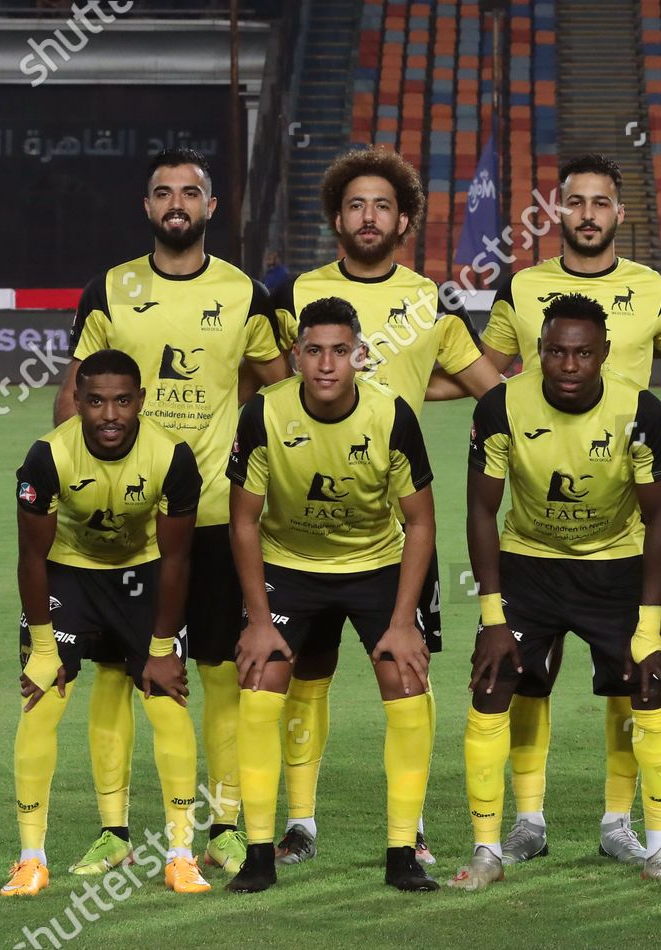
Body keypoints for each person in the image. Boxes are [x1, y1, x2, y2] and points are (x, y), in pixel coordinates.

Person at [474, 154, 661, 867]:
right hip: (535, 531)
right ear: (557, 211)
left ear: (619, 214)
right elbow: (489, 368)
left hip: (625, 524)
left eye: (600, 203)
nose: (587, 214)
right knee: (524, 681)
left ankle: (619, 824)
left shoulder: (652, 288)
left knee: (631, 681)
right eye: (574, 202)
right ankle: (526, 822)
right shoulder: (522, 287)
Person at [56, 148, 289, 877]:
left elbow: (276, 391)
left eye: (191, 192)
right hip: (126, 520)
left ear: (212, 208)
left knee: (218, 670)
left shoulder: (246, 294)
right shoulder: (111, 289)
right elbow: (73, 397)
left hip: (215, 516)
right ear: (148, 206)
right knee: (117, 673)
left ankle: (223, 824)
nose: (177, 203)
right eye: (163, 193)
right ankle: (115, 831)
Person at [267, 146, 499, 868]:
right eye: (356, 205)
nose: (369, 217)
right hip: (297, 526)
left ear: (403, 221)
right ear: (338, 217)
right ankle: (299, 823)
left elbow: (491, 388)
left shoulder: (430, 301)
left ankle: (413, 826)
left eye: (383, 207)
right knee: (305, 676)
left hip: (395, 532)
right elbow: (275, 387)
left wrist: (421, 382)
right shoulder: (294, 293)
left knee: (405, 671)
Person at [448, 293, 661, 892]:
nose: (567, 364)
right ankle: (497, 844)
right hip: (528, 566)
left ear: (605, 354)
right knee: (494, 685)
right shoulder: (502, 404)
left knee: (646, 684)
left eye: (583, 353)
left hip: (615, 568)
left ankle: (649, 844)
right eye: (555, 351)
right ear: (537, 352)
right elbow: (481, 511)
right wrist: (490, 614)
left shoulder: (641, 411)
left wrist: (647, 621)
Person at [224, 297, 437, 892]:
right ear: (295, 358)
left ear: (359, 357)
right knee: (262, 679)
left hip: (375, 564)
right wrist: (260, 620)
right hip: (290, 565)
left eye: (339, 351)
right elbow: (244, 521)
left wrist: (401, 622)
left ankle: (402, 852)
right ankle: (260, 853)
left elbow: (419, 522)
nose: (325, 364)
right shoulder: (263, 413)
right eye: (313, 351)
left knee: (405, 676)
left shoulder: (391, 414)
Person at [5, 349, 209, 897]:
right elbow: (30, 558)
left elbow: (177, 560)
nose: (110, 414)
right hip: (67, 575)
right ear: (76, 401)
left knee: (166, 698)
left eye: (123, 400)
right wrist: (43, 644)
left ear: (141, 401)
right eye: (95, 401)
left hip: (143, 577)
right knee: (42, 698)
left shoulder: (173, 457)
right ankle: (30, 859)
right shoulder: (47, 457)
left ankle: (181, 854)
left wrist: (163, 645)